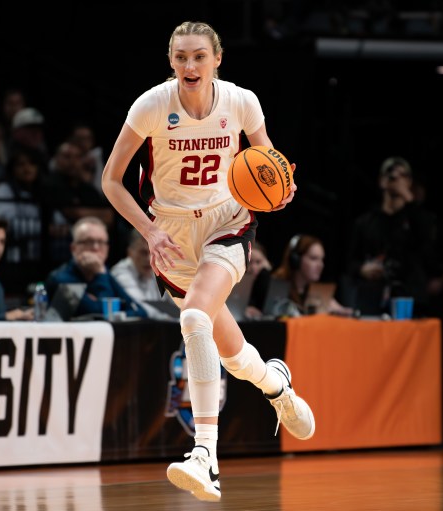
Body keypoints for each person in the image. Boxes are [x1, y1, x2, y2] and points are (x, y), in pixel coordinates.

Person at [100, 21, 311, 502]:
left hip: (226, 221)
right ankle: (276, 383)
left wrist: (282, 188)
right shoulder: (152, 105)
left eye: (198, 56)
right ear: (171, 61)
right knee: (234, 357)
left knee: (195, 316)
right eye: (180, 57)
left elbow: (267, 160)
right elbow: (111, 181)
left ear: (217, 59)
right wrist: (150, 231)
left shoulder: (241, 101)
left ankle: (204, 456)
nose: (189, 66)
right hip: (169, 233)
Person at [345, 156, 443, 318]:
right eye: (390, 175)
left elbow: (427, 241)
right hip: (373, 298)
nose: (396, 180)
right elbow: (348, 261)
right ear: (381, 181)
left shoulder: (422, 219)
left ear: (410, 182)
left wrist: (408, 196)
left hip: (411, 300)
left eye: (403, 176)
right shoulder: (365, 222)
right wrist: (361, 269)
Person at [44, 216, 148, 320]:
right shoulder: (60, 279)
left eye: (101, 242)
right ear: (74, 248)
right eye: (89, 241)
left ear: (107, 249)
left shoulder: (105, 273)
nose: (96, 248)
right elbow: (101, 318)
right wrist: (100, 274)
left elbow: (140, 312)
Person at [267, 234, 353, 317]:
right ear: (296, 259)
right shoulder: (278, 287)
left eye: (322, 259)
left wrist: (342, 312)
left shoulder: (319, 291)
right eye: (314, 258)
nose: (320, 265)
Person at [108, 227, 174, 319]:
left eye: (153, 253)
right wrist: (167, 310)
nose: (148, 259)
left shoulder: (161, 269)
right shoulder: (120, 272)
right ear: (130, 252)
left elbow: (178, 306)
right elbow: (143, 309)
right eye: (143, 252)